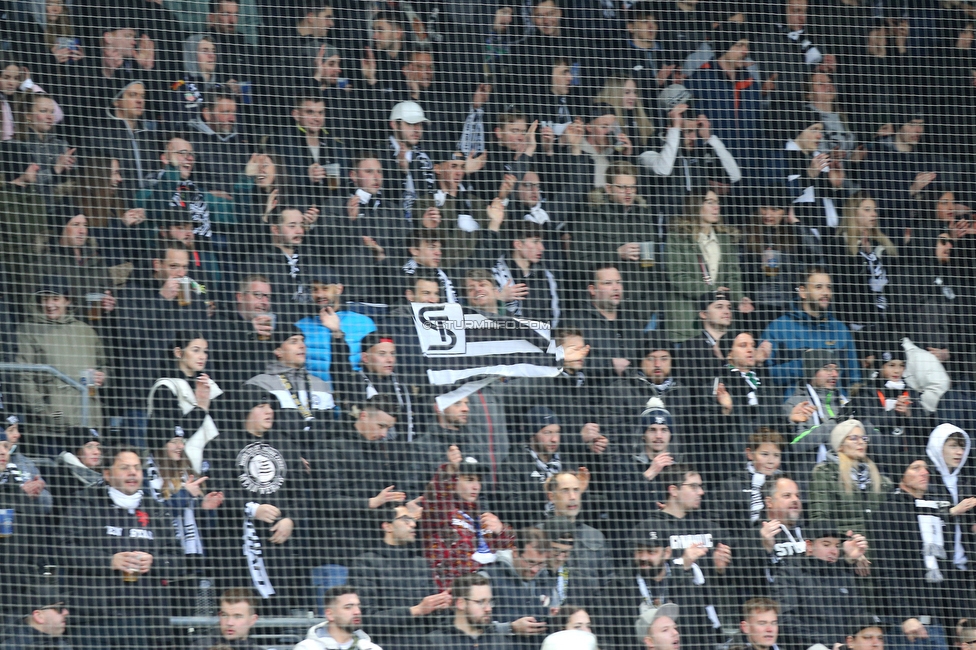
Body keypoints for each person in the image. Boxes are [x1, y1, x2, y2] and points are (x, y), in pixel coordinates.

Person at [62, 445, 184, 650]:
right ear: (107, 474)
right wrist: (109, 561)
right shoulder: (85, 503)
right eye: (125, 467)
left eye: (137, 467)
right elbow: (63, 548)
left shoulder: (156, 510)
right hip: (93, 619)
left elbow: (178, 561)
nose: (133, 473)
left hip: (144, 621)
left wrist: (154, 562)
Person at [208, 390, 306, 615]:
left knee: (277, 607)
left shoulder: (286, 444)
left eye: (271, 407)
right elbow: (217, 489)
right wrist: (253, 509)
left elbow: (301, 492)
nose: (269, 411)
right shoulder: (222, 444)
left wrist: (290, 519)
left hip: (278, 543)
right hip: (235, 544)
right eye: (261, 406)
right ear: (246, 411)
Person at [313, 396, 420, 564]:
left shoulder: (382, 451)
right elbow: (327, 500)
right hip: (338, 551)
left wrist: (403, 508)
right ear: (363, 416)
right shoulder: (331, 447)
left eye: (389, 428)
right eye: (381, 426)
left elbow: (386, 498)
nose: (384, 434)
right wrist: (371, 502)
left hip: (374, 550)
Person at [868, 456, 957, 650]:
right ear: (901, 475)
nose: (924, 472)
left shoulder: (934, 510)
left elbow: (946, 568)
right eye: (915, 468)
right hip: (906, 627)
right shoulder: (887, 512)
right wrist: (905, 616)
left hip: (938, 624)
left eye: (925, 468)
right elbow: (886, 569)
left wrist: (955, 619)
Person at [643, 464, 731, 649]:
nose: (701, 492)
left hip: (708, 628)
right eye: (693, 486)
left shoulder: (712, 529)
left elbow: (734, 583)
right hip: (670, 630)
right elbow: (647, 582)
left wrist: (720, 569)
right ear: (673, 490)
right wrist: (683, 563)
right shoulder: (649, 529)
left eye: (700, 486)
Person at [350, 504, 451, 650]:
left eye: (413, 519)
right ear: (387, 526)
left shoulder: (420, 563)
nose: (413, 524)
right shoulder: (365, 563)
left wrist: (441, 606)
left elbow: (435, 621)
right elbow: (366, 620)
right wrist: (416, 610)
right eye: (405, 520)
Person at [16, 278, 108, 433]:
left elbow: (104, 366)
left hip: (89, 419)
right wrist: (44, 412)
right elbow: (23, 376)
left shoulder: (86, 331)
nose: (50, 305)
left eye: (55, 298)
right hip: (51, 424)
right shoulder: (28, 330)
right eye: (45, 299)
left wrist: (103, 376)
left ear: (67, 301)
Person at [664, 190, 750, 342]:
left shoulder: (725, 239)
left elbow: (733, 275)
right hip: (686, 319)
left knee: (725, 364)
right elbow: (676, 276)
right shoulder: (678, 237)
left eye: (717, 202)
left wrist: (738, 299)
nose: (716, 207)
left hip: (719, 325)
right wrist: (712, 291)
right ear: (695, 205)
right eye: (710, 202)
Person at [422, 452, 515, 590]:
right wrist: (448, 471)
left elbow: (513, 552)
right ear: (454, 480)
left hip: (485, 594)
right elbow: (435, 497)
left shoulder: (482, 518)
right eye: (470, 479)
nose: (476, 486)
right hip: (451, 595)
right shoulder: (441, 512)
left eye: (478, 480)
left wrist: (502, 531)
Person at [760, 267, 861, 394]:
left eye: (828, 287)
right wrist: (805, 365)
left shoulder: (840, 329)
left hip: (834, 409)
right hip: (796, 408)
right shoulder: (779, 328)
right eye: (818, 287)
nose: (825, 293)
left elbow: (854, 378)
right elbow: (765, 376)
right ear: (803, 292)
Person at [243, 324, 335, 450]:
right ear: (278, 351)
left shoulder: (321, 385)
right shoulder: (259, 383)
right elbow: (255, 430)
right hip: (279, 456)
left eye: (303, 341)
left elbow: (330, 429)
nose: (302, 345)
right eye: (293, 341)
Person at [809, 420, 892, 540]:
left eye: (864, 438)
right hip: (845, 551)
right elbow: (819, 518)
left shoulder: (880, 480)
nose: (861, 442)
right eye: (854, 438)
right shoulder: (825, 473)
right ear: (840, 445)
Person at [925, 424, 976, 619]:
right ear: (939, 446)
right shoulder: (925, 477)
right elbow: (917, 513)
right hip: (938, 568)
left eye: (962, 447)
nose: (959, 452)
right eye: (953, 446)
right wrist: (953, 511)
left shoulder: (965, 480)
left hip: (965, 565)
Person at [295, 266, 376, 384]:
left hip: (355, 393)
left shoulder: (364, 323)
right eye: (314, 289)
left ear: (339, 289)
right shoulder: (300, 326)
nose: (319, 294)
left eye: (325, 288)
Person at [783, 350, 853, 477]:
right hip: (812, 477)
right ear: (812, 372)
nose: (834, 374)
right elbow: (796, 445)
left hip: (848, 474)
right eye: (827, 369)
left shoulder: (844, 402)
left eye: (836, 369)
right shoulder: (796, 404)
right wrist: (836, 424)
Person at [484, 527, 553, 646]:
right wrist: (510, 628)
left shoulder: (546, 578)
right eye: (530, 562)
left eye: (541, 563)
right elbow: (470, 625)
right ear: (515, 552)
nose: (535, 570)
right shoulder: (488, 577)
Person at [209, 274, 275, 388]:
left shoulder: (268, 326)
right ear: (240, 297)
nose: (264, 302)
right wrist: (249, 330)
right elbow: (216, 351)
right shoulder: (219, 320)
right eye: (258, 295)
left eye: (267, 297)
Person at [714, 429, 785, 532]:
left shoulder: (785, 482)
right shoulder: (732, 485)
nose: (771, 461)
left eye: (776, 455)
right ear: (750, 454)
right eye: (765, 454)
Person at [426, 573, 513, 650]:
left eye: (490, 602)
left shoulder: (500, 641)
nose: (488, 609)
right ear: (460, 603)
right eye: (481, 602)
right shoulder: (437, 642)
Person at [295, 586, 383, 650]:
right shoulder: (307, 647)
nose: (357, 612)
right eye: (348, 607)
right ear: (330, 614)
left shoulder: (371, 648)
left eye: (358, 606)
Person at [0, 582, 72, 650]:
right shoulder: (13, 646)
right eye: (59, 608)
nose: (66, 612)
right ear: (38, 616)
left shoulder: (57, 640)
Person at [191, 588, 261, 650]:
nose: (229, 623)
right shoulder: (200, 647)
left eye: (237, 616)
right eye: (224, 615)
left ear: (253, 620)